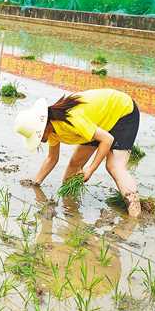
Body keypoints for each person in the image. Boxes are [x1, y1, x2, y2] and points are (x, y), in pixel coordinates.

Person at [13, 88, 142, 217]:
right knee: (75, 163)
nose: (40, 140)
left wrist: (90, 170)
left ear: (44, 126)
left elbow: (107, 139)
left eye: (38, 136)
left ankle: (135, 215)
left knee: (114, 166)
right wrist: (36, 183)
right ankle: (70, 211)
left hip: (123, 112)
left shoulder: (72, 120)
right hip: (97, 121)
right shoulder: (52, 130)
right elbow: (52, 158)